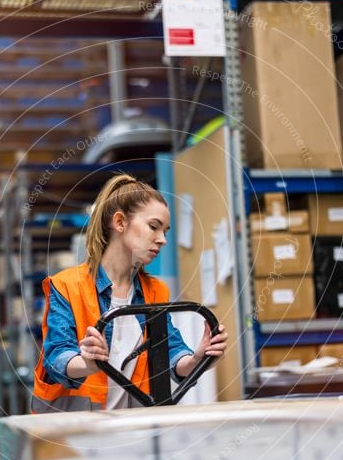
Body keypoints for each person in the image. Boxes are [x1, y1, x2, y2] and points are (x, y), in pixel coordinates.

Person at [32, 174, 229, 413]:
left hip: (131, 431)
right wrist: (87, 363)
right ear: (120, 222)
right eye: (153, 227)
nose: (162, 240)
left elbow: (169, 355)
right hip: (74, 434)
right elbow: (57, 357)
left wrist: (198, 360)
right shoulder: (67, 285)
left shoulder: (154, 291)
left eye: (165, 231)